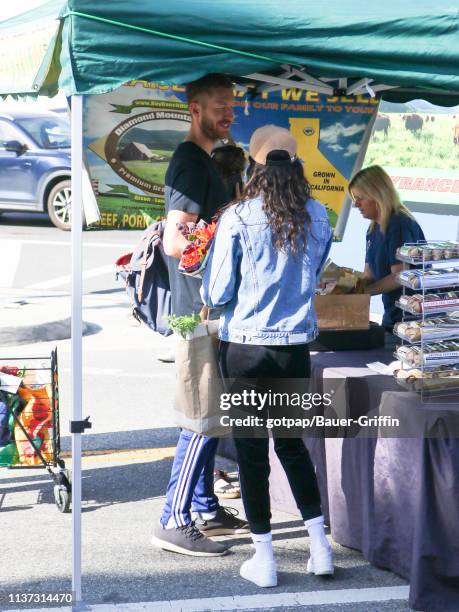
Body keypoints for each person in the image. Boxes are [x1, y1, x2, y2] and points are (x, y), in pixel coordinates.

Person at [201, 125, 334, 587]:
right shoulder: (319, 215)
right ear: (296, 165)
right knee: (294, 448)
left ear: (254, 166)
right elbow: (315, 272)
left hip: (247, 350)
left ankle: (266, 560)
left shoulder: (238, 217)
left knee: (253, 456)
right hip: (295, 348)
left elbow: (218, 291)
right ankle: (320, 550)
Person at [152, 73, 249, 557]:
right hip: (198, 312)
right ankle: (173, 518)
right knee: (201, 415)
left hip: (203, 309)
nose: (228, 114)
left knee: (211, 413)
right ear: (194, 110)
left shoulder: (202, 161)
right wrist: (220, 248)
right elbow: (176, 239)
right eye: (218, 107)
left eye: (230, 106)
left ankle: (205, 504)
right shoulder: (191, 163)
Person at [348, 165, 425, 330]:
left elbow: (400, 276)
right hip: (393, 315)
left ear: (377, 194)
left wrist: (361, 293)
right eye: (354, 198)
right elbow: (368, 275)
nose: (356, 204)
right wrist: (340, 285)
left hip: (413, 320)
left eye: (360, 197)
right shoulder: (373, 229)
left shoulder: (399, 224)